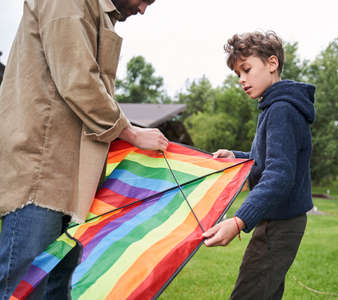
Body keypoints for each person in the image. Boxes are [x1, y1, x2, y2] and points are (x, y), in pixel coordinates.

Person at [0, 0, 168, 299]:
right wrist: (129, 133)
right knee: (24, 287)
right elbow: (78, 79)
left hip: (74, 178)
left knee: (59, 285)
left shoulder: (96, 11)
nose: (143, 9)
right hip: (40, 171)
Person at [202, 31, 316, 300]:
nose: (242, 80)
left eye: (246, 70)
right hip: (278, 219)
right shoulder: (273, 107)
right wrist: (237, 157)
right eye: (238, 74)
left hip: (280, 223)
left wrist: (239, 221)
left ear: (272, 63)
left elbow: (279, 175)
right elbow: (265, 160)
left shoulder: (282, 110)